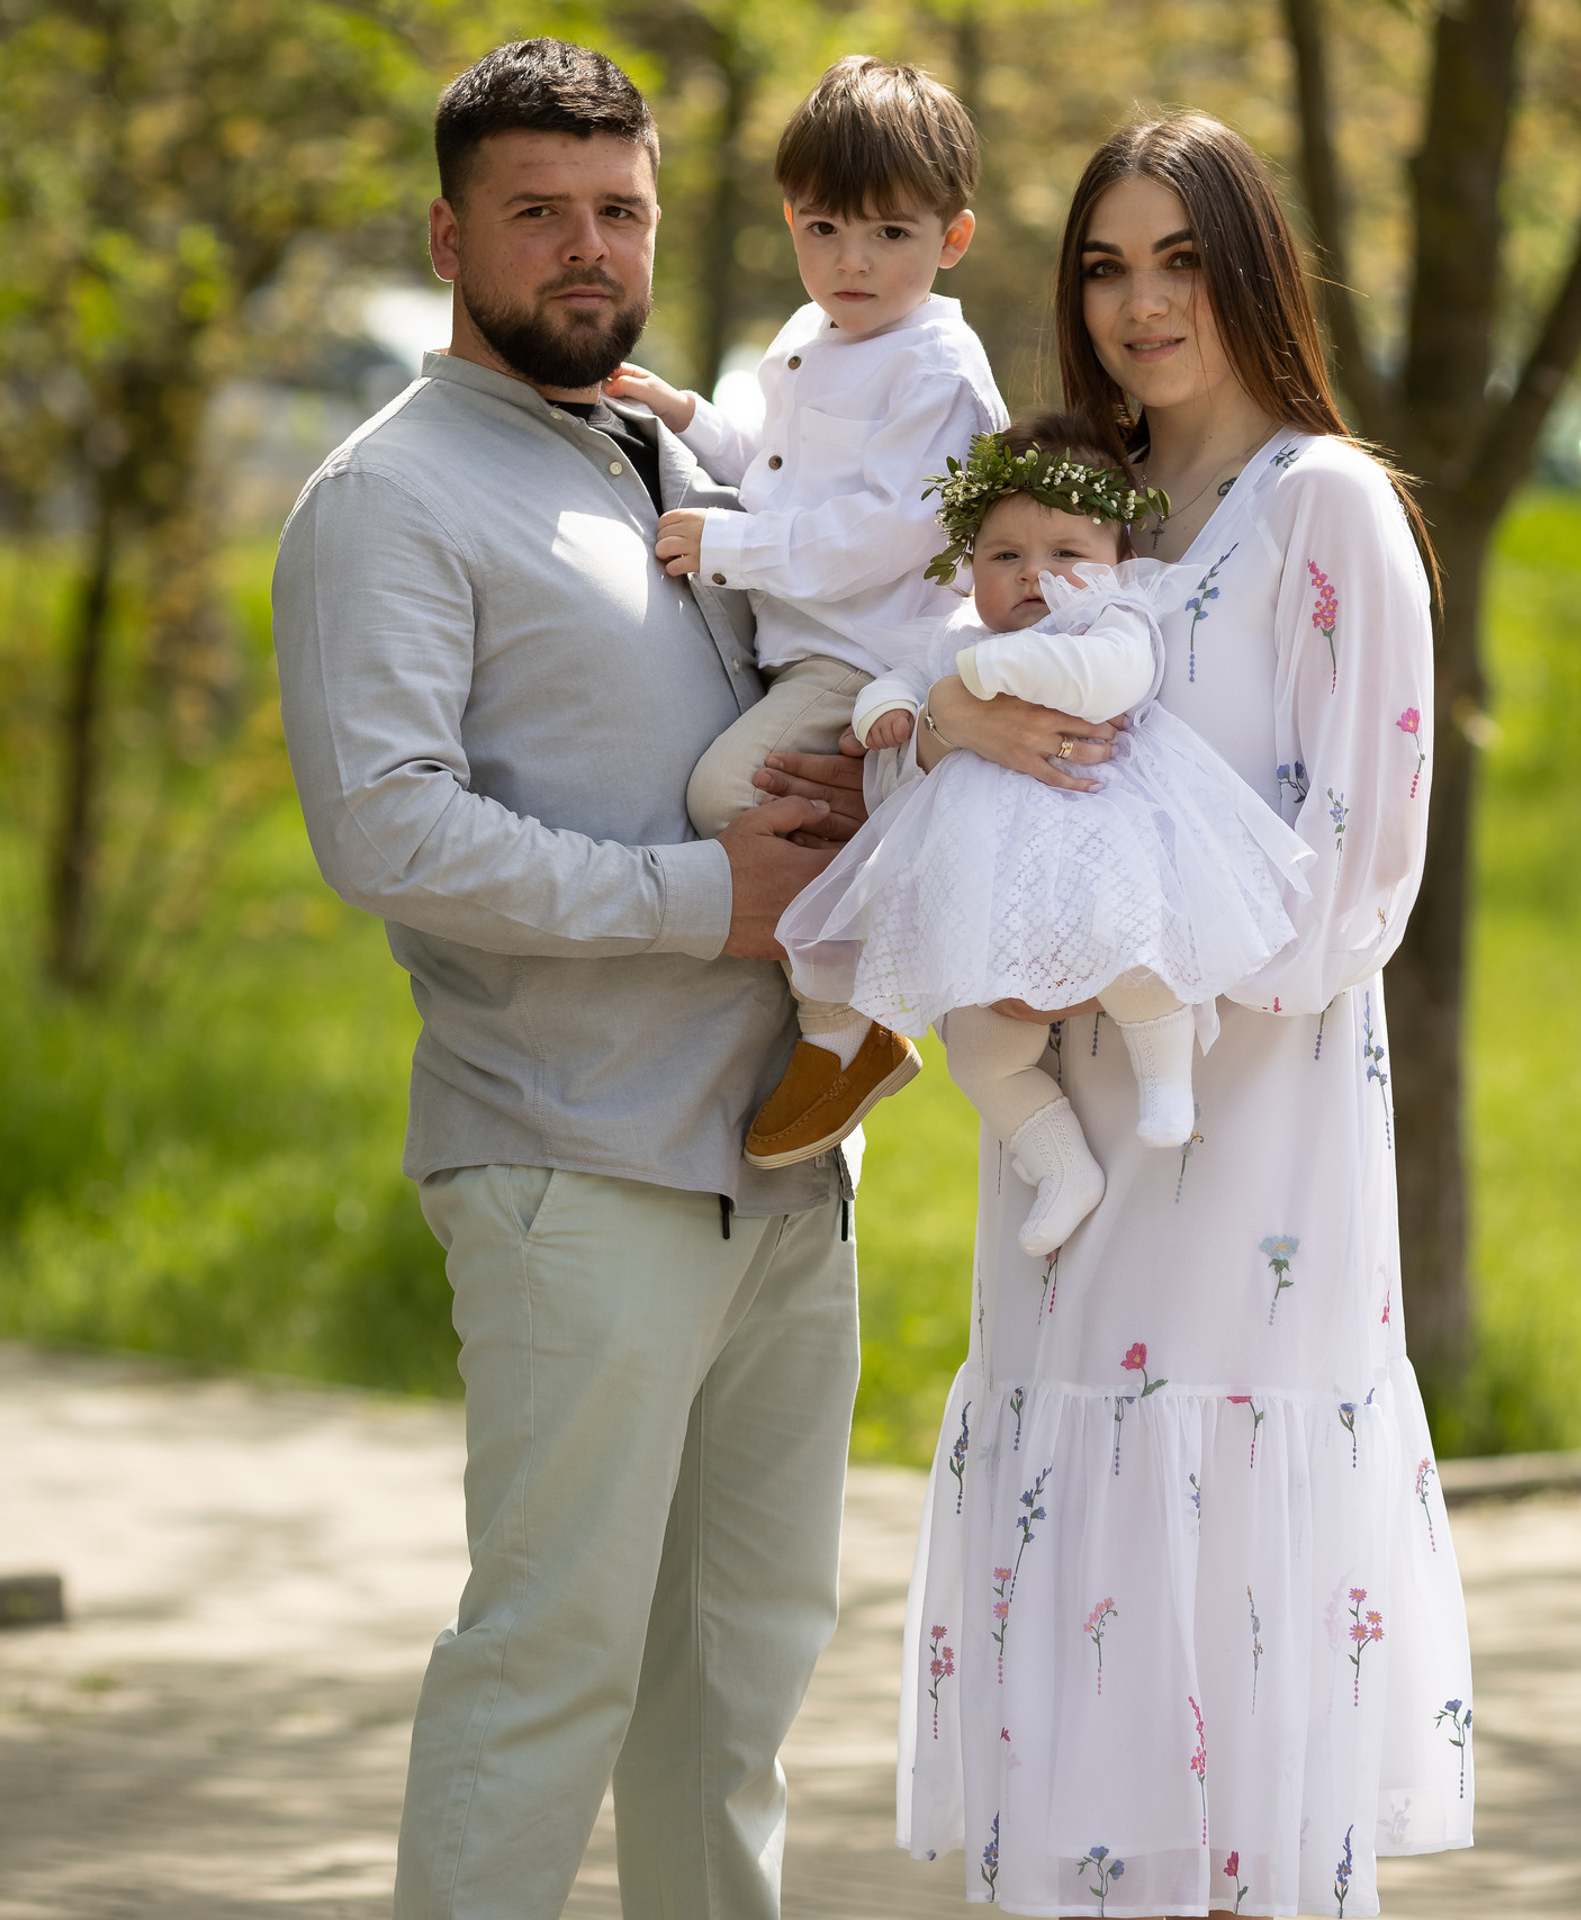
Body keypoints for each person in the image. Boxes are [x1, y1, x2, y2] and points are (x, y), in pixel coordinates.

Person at [271, 39, 878, 1920]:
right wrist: (707, 902)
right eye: (537, 213)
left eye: (616, 209)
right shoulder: (388, 499)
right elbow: (387, 831)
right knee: (551, 1668)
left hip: (780, 1176)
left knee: (735, 1693)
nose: (585, 248)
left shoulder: (678, 452)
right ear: (449, 234)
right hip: (576, 1164)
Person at [884, 114, 1475, 1917]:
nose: (1142, 305)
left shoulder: (1329, 510)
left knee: (1225, 1618)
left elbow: (1362, 880)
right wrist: (946, 728)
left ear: (1250, 268)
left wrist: (1110, 952)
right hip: (1061, 1174)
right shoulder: (1069, 513)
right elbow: (930, 711)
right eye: (1104, 266)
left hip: (1249, 1160)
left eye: (1179, 259)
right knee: (1077, 1606)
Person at [779, 417, 1314, 1258]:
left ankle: (1165, 1079)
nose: (1036, 576)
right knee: (982, 1051)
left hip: (1096, 850)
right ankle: (1061, 1164)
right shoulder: (957, 639)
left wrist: (997, 677)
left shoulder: (1110, 622)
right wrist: (887, 709)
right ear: (971, 566)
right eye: (1005, 557)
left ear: (1113, 558)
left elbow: (1110, 680)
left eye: (1066, 552)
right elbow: (903, 679)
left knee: (1138, 958)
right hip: (990, 893)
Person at [607, 54, 1008, 1172]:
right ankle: (859, 956)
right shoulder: (815, 333)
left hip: (874, 653)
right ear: (791, 222)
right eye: (825, 229)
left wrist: (732, 548)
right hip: (812, 647)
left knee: (727, 791)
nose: (854, 261)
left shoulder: (936, 367)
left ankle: (849, 1026)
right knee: (749, 789)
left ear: (952, 240)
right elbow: (783, 466)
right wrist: (691, 417)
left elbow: (895, 530)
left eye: (890, 234)